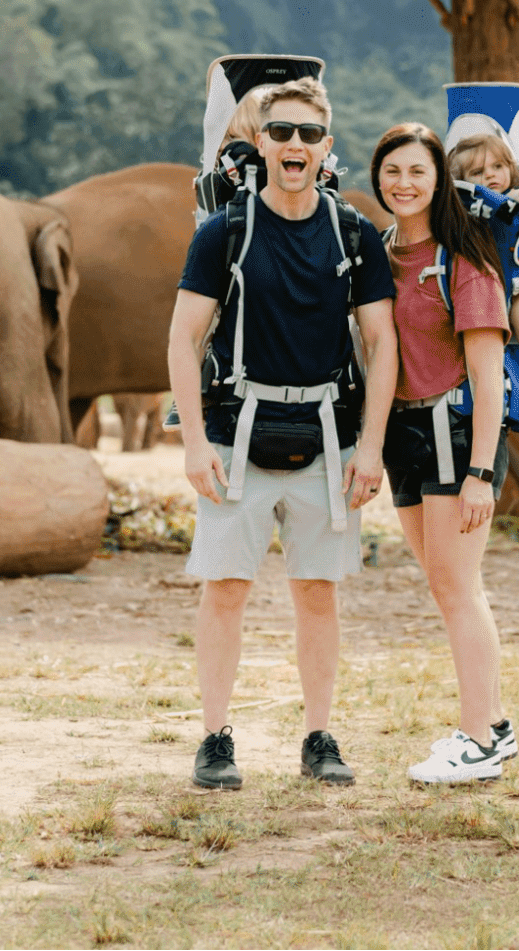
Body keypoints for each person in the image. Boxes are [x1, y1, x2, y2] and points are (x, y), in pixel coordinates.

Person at [166, 77, 397, 791]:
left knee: (317, 591)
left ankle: (318, 734)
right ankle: (214, 737)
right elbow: (182, 338)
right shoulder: (223, 234)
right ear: (259, 143)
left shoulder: (353, 233)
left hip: (329, 436)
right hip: (236, 432)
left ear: (327, 147)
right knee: (225, 589)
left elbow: (382, 344)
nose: (294, 144)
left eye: (307, 133)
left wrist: (373, 449)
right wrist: (194, 441)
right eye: (281, 132)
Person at [372, 123, 517, 783]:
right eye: (392, 171)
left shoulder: (465, 257)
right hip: (403, 436)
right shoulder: (378, 253)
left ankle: (478, 739)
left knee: (458, 586)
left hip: (454, 437)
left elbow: (489, 375)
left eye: (416, 173)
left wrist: (482, 474)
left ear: (439, 183)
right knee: (445, 585)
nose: (403, 183)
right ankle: (492, 723)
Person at [448, 132, 519, 431]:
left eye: (497, 166)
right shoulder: (467, 209)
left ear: (509, 167)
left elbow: (511, 202)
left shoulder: (514, 197)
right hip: (485, 286)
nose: (490, 175)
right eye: (478, 172)